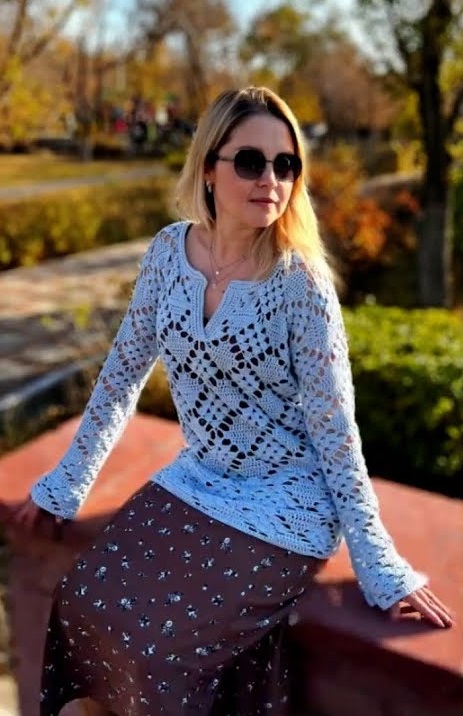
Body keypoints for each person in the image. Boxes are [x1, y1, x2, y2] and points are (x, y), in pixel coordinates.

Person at [10, 86, 453, 716]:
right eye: (250, 161)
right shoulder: (168, 253)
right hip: (198, 480)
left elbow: (337, 433)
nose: (270, 179)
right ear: (209, 169)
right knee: (82, 598)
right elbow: (120, 377)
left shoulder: (300, 283)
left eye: (286, 164)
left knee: (156, 650)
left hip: (287, 503)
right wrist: (65, 486)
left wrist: (379, 565)